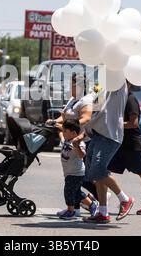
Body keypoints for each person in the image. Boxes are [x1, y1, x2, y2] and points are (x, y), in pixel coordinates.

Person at [72, 81, 134, 224]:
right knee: (94, 174)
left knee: (98, 170)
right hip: (96, 134)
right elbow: (94, 112)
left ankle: (125, 199)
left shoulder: (118, 85)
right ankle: (103, 213)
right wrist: (83, 134)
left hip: (109, 134)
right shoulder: (99, 87)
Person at [46, 73, 101, 213]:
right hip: (70, 137)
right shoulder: (73, 99)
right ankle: (76, 208)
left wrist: (68, 127)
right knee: (73, 176)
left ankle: (98, 197)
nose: (70, 87)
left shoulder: (86, 100)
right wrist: (54, 122)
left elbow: (86, 118)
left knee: (81, 176)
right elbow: (64, 116)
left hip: (81, 140)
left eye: (72, 85)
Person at [108, 80, 141, 215]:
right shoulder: (117, 98)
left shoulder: (130, 99)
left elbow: (134, 123)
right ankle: (101, 202)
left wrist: (114, 125)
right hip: (119, 142)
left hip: (131, 143)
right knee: (104, 170)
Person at [57, 119, 99, 220]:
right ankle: (91, 204)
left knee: (68, 191)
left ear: (74, 133)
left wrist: (77, 147)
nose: (63, 133)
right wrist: (57, 126)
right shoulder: (66, 140)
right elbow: (61, 134)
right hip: (68, 172)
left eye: (65, 131)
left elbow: (81, 155)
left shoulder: (79, 144)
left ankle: (70, 211)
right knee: (76, 192)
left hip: (76, 173)